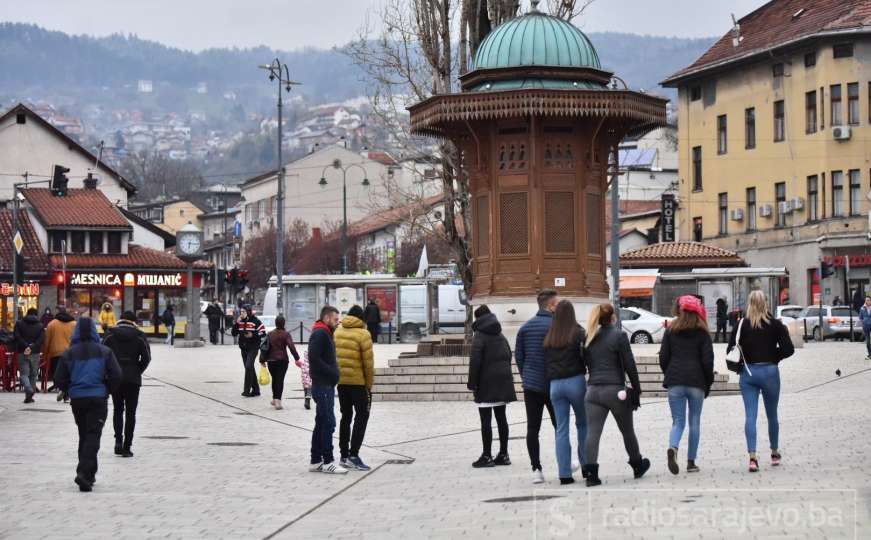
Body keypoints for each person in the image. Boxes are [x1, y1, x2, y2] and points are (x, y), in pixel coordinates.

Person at [583, 303, 650, 487]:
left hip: (593, 391)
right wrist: (637, 389)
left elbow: (585, 363)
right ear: (613, 317)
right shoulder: (619, 336)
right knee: (627, 431)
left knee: (593, 433)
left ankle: (591, 474)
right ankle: (637, 465)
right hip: (615, 391)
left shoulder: (588, 336)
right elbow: (629, 364)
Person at [727, 290, 794, 473]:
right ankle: (774, 452)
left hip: (748, 373)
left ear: (749, 303)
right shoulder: (775, 324)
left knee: (750, 416)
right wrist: (774, 357)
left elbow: (731, 348)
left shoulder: (742, 324)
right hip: (770, 372)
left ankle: (753, 458)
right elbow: (789, 349)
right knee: (772, 415)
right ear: (766, 303)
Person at [53, 317, 122, 492]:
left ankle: (88, 474)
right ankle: (84, 473)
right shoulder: (105, 352)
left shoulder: (69, 353)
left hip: (78, 400)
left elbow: (59, 378)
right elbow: (116, 375)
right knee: (93, 434)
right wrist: (107, 390)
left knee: (84, 434)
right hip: (98, 398)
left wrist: (70, 388)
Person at [658, 296, 714, 475]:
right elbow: (708, 361)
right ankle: (691, 462)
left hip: (675, 380)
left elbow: (663, 356)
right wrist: (707, 382)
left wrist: (669, 372)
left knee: (678, 421)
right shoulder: (702, 332)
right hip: (696, 381)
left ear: (680, 310)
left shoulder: (671, 330)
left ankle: (673, 448)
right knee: (694, 421)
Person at [515, 289, 559, 484]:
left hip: (531, 385)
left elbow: (519, 357)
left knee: (533, 428)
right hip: (553, 383)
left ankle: (536, 469)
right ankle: (564, 463)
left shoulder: (525, 328)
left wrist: (527, 376)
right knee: (560, 426)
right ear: (550, 306)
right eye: (557, 304)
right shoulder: (557, 326)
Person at [543, 300, 588, 485]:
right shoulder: (578, 333)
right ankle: (587, 467)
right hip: (575, 382)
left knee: (561, 429)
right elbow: (585, 356)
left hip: (555, 385)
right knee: (583, 425)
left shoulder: (549, 336)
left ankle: (564, 473)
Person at [468, 305, 516, 469]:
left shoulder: (479, 335)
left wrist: (472, 383)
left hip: (486, 382)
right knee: (501, 418)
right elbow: (509, 354)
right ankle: (503, 454)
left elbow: (475, 361)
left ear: (477, 318)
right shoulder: (500, 334)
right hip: (503, 382)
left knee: (486, 420)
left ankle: (486, 456)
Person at [102, 311, 151, 458]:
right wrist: (137, 370)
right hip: (133, 379)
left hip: (115, 378)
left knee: (118, 409)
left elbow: (102, 354)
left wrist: (109, 371)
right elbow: (147, 357)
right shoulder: (140, 335)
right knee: (131, 413)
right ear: (133, 321)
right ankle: (127, 446)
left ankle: (118, 441)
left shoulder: (110, 334)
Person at [335, 305, 375, 471]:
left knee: (346, 416)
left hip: (341, 382)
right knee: (362, 415)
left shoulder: (337, 332)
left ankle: (344, 455)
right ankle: (354, 454)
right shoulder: (363, 334)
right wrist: (369, 386)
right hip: (358, 384)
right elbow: (368, 364)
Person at [308, 305, 346, 474]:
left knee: (321, 422)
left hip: (325, 384)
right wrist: (332, 373)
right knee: (328, 422)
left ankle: (316, 460)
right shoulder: (321, 333)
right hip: (323, 384)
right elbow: (314, 358)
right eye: (335, 319)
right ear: (327, 318)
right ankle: (328, 461)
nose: (338, 323)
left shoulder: (324, 332)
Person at [259, 314, 301, 410]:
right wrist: (297, 358)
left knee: (275, 379)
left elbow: (264, 347)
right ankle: (278, 400)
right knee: (280, 380)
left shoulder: (270, 334)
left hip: (271, 360)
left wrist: (262, 360)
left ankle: (274, 399)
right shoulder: (285, 334)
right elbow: (291, 347)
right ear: (284, 323)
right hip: (282, 361)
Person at [43, 306, 77, 401]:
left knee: (58, 375)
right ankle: (66, 393)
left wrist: (46, 354)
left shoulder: (52, 324)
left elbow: (47, 341)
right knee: (70, 373)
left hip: (56, 353)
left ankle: (62, 389)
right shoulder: (74, 324)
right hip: (71, 353)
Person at [232, 305, 265, 397]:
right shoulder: (240, 321)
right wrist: (236, 323)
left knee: (248, 366)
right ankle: (256, 390)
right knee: (249, 368)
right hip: (243, 348)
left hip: (253, 347)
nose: (241, 313)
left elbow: (262, 332)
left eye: (243, 312)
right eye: (241, 312)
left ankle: (246, 390)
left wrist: (253, 335)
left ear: (248, 312)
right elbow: (234, 333)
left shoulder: (255, 321)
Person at [14, 307, 45, 403]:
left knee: (24, 374)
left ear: (27, 313)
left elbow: (16, 336)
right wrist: (32, 346)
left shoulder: (19, 323)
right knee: (33, 374)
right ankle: (29, 395)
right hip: (35, 353)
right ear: (36, 315)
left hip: (22, 351)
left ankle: (28, 389)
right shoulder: (40, 325)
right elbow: (41, 339)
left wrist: (25, 345)